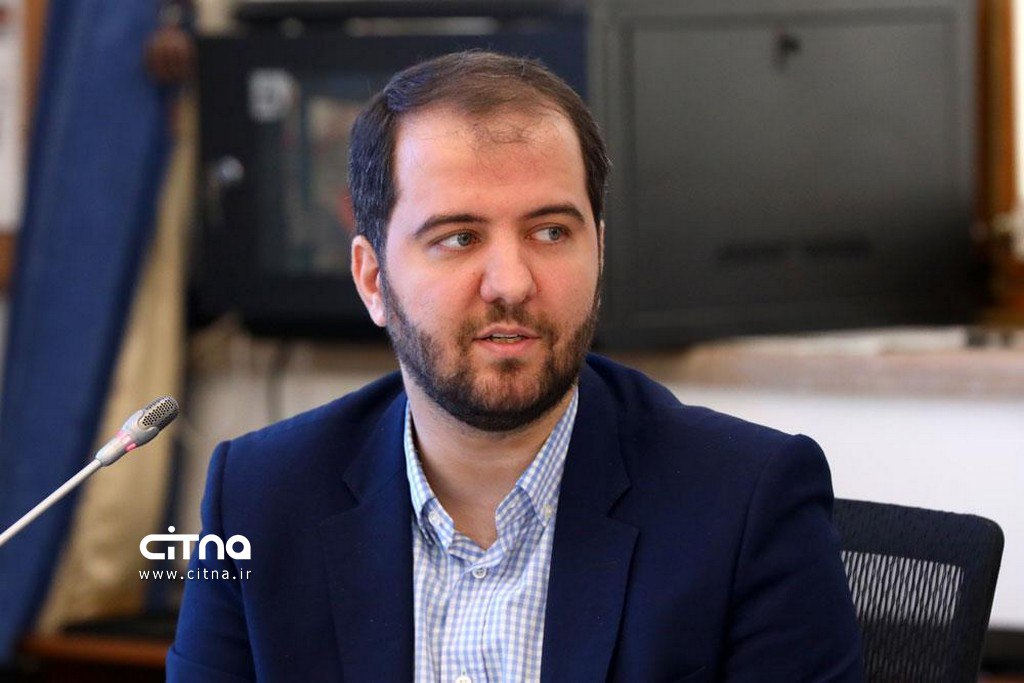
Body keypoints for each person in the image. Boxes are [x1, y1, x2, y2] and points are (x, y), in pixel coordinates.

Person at [168, 51, 863, 682]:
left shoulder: (745, 502)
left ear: (599, 254)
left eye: (551, 232)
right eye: (459, 237)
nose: (511, 282)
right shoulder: (260, 496)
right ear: (373, 279)